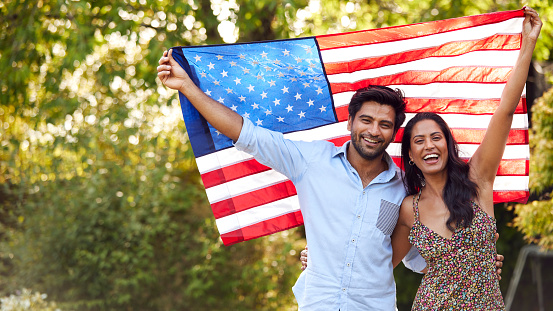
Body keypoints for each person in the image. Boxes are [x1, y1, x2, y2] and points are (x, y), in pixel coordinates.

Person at [158, 46, 427, 309]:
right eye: (366, 120)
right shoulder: (312, 161)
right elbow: (246, 134)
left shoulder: (405, 189)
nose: (374, 131)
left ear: (394, 133)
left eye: (385, 124)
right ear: (350, 123)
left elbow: (419, 256)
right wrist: (186, 86)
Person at [390, 7, 541, 310]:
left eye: (436, 137)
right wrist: (319, 261)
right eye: (419, 141)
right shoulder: (409, 209)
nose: (429, 145)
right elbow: (378, 266)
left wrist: (528, 45)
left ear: (448, 144)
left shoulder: (478, 179)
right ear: (411, 155)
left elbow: (505, 110)